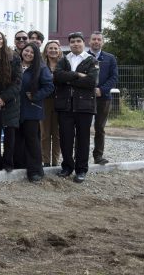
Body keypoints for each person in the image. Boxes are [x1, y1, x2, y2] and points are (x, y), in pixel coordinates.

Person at [54, 31, 100, 183]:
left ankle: (81, 170)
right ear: (69, 44)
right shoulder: (63, 59)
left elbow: (91, 82)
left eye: (78, 41)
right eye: (72, 41)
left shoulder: (91, 60)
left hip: (84, 106)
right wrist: (77, 75)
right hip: (65, 106)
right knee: (65, 138)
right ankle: (67, 167)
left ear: (83, 43)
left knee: (83, 140)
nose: (75, 44)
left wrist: (68, 79)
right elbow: (57, 77)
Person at [17, 42, 54, 182]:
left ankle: (35, 170)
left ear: (36, 55)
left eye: (32, 52)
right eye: (26, 51)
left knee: (32, 140)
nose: (28, 54)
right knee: (18, 139)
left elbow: (49, 87)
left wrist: (35, 96)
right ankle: (19, 165)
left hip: (32, 109)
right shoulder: (16, 65)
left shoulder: (41, 68)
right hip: (16, 109)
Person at [0, 31, 22, 172]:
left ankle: (8, 164)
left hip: (11, 102)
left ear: (4, 40)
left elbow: (17, 81)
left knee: (10, 135)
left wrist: (4, 98)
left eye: (0, 38)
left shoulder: (14, 57)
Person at [88, 31, 118, 165]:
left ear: (103, 42)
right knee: (83, 128)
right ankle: (80, 156)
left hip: (104, 98)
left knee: (100, 128)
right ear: (89, 41)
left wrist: (102, 90)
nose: (96, 41)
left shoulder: (110, 58)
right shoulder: (84, 57)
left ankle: (98, 156)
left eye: (99, 39)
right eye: (94, 39)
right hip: (85, 97)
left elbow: (114, 77)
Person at [40, 40, 62, 167]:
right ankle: (46, 161)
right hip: (45, 101)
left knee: (57, 133)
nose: (53, 50)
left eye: (55, 48)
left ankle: (55, 161)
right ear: (46, 51)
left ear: (59, 51)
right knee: (45, 133)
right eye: (50, 48)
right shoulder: (42, 65)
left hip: (60, 101)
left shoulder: (64, 64)